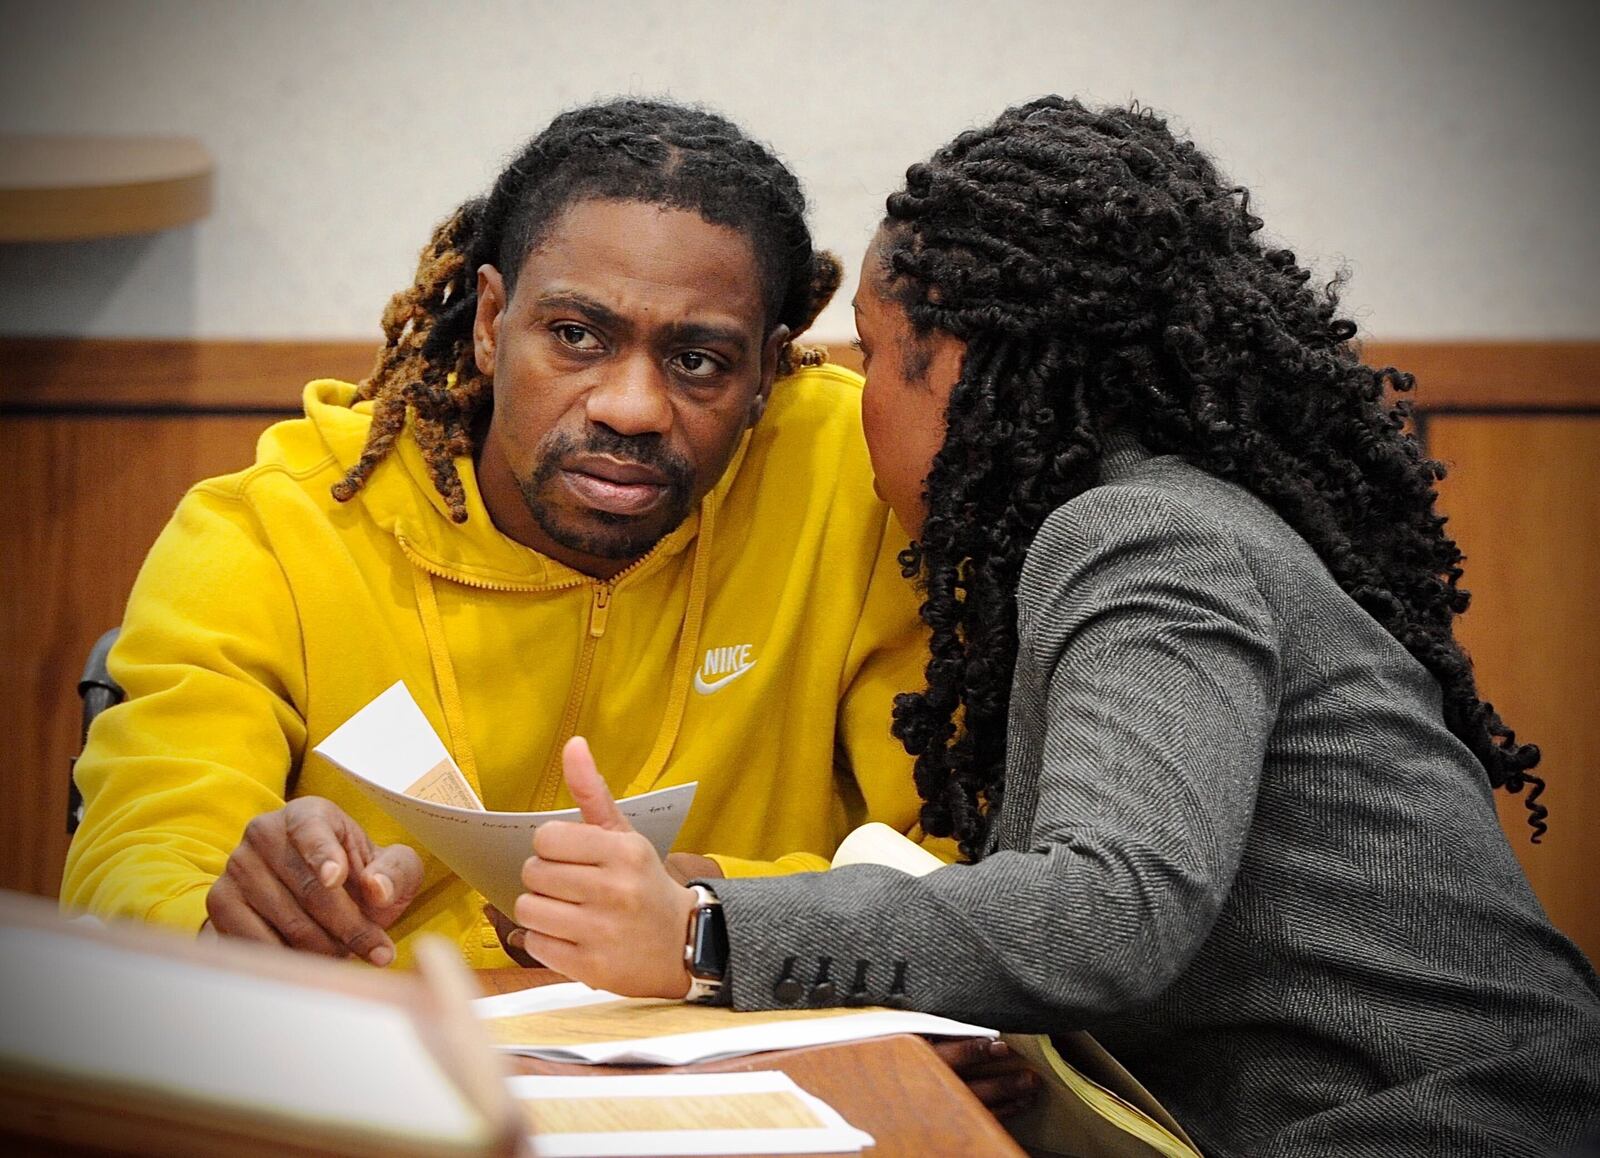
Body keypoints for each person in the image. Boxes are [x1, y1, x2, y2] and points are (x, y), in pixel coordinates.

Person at [505, 98, 1600, 1155]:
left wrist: (705, 932)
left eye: (874, 353)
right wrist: (733, 899)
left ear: (969, 369)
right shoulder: (1147, 523)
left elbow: (1111, 908)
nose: (855, 396)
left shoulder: (1139, 536)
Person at [60, 98, 952, 972]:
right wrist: (232, 918)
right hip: (387, 1072)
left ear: (765, 370)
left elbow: (962, 865)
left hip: (753, 1072)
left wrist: (705, 907)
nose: (631, 408)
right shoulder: (277, 528)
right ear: (491, 322)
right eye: (575, 336)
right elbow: (127, 876)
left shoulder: (855, 484)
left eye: (697, 362)